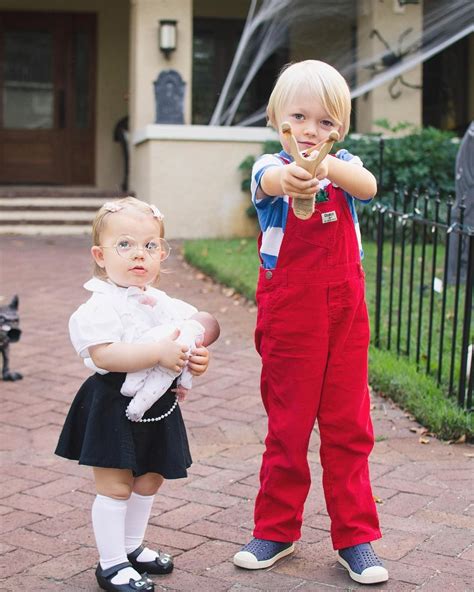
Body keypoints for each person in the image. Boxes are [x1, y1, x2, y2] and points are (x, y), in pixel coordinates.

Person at [232, 60, 388, 585]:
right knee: (288, 426)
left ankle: (356, 538)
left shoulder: (345, 167)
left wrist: (328, 167)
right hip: (290, 318)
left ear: (339, 129)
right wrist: (294, 178)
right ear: (279, 121)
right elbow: (271, 181)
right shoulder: (267, 170)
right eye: (299, 117)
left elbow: (366, 186)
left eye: (325, 122)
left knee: (348, 427)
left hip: (345, 316)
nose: (311, 131)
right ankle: (276, 529)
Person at [55, 197, 219, 592]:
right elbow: (104, 354)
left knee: (149, 479)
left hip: (157, 407)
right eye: (124, 245)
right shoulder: (100, 305)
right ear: (100, 254)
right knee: (115, 485)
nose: (138, 255)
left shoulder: (166, 304)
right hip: (112, 403)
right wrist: (156, 353)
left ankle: (131, 547)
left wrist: (196, 359)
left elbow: (192, 332)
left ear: (162, 253)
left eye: (149, 246)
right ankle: (111, 565)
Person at [122, 314, 220, 421]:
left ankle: (130, 386)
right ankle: (135, 410)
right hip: (167, 371)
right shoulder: (193, 345)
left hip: (149, 350)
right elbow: (189, 370)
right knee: (152, 390)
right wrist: (184, 386)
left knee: (140, 368)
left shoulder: (174, 324)